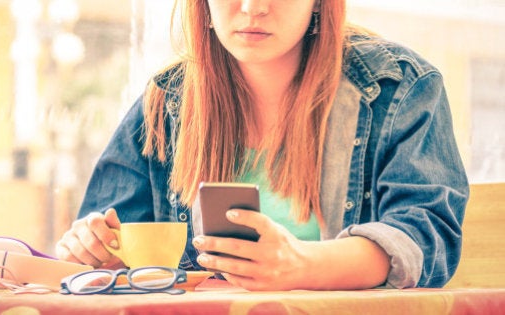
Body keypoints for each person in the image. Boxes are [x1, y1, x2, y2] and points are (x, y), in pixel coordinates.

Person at [55, 0, 468, 291]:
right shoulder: (166, 101)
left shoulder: (399, 87)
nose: (253, 6)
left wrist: (301, 265)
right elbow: (112, 247)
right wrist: (96, 250)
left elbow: (425, 238)